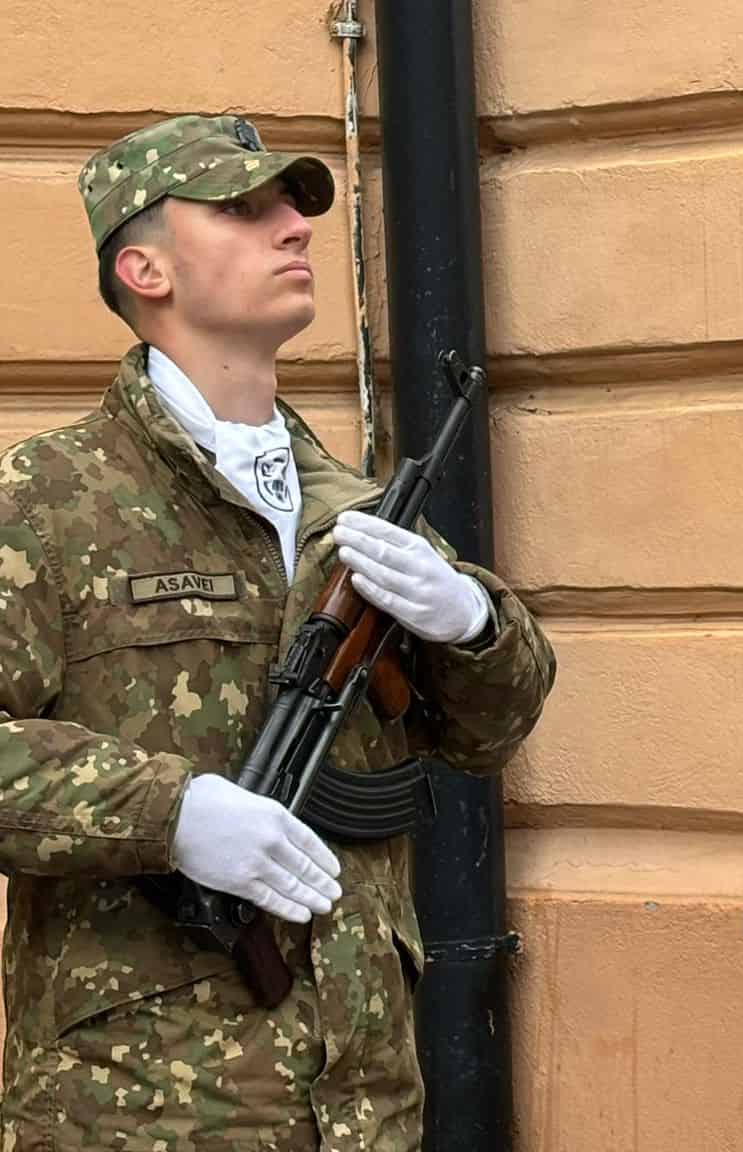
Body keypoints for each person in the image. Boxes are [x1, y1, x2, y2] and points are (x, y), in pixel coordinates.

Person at [0, 114, 557, 1150]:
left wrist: (473, 623)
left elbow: (487, 734)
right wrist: (171, 814)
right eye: (244, 208)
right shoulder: (48, 500)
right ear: (144, 267)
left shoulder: (353, 505)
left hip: (364, 1095)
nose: (295, 225)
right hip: (141, 1100)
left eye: (296, 205)